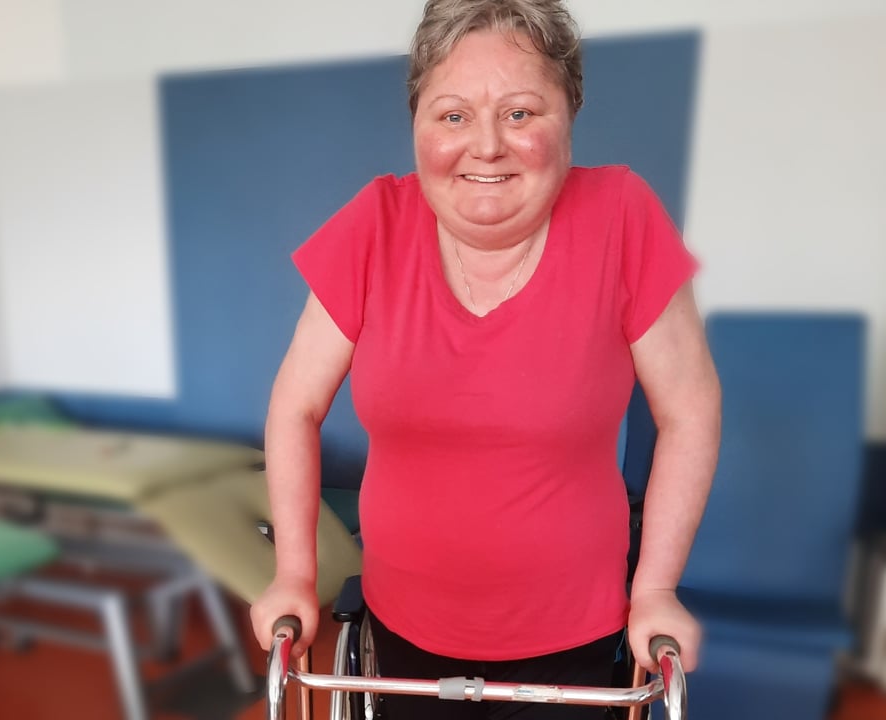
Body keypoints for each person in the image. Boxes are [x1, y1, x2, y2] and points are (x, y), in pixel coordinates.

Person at [250, 0, 721, 717]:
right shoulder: (375, 224)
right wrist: (294, 573)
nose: (487, 146)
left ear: (570, 114)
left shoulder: (622, 217)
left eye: (520, 113)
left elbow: (690, 410)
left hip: (573, 634)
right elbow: (295, 406)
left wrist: (655, 588)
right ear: (417, 122)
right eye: (454, 115)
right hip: (405, 630)